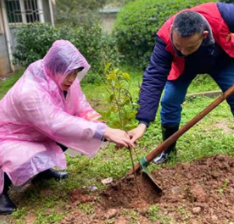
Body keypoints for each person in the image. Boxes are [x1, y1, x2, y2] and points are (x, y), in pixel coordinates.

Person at [0, 40, 135, 215]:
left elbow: (82, 108)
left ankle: (41, 171)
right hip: (9, 137)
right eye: (68, 73)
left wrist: (105, 130)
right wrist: (105, 133)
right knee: (20, 153)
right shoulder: (29, 91)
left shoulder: (65, 82)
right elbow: (56, 123)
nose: (72, 79)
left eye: (75, 73)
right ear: (54, 67)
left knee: (68, 136)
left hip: (35, 133)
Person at [128, 2, 234, 164]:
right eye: (178, 46)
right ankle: (168, 152)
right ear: (172, 31)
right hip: (183, 67)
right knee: (170, 100)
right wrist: (143, 122)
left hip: (221, 61)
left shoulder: (222, 14)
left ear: (204, 35)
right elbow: (154, 77)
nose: (183, 51)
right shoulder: (165, 38)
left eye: (190, 47)